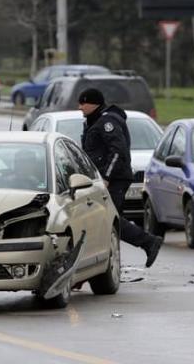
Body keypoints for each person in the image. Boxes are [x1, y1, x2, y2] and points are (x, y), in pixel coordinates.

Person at [78, 88, 163, 268]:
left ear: (94, 103)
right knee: (110, 219)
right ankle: (140, 246)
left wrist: (106, 177)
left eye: (83, 103)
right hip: (102, 179)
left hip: (115, 179)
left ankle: (148, 242)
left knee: (110, 219)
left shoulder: (107, 122)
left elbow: (118, 151)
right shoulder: (93, 121)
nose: (80, 107)